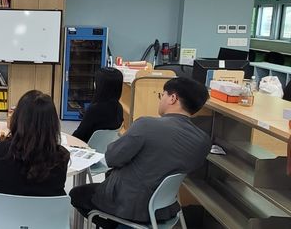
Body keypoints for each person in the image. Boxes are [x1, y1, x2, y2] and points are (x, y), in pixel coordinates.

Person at [69, 77, 212, 228]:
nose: (160, 99)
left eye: (161, 95)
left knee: (77, 194)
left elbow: (112, 158)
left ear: (172, 98)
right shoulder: (203, 140)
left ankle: (121, 225)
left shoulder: (147, 125)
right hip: (165, 209)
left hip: (129, 206)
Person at [0, 90, 70, 196]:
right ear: (52, 124)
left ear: (17, 119)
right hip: (44, 212)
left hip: (3, 211)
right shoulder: (60, 158)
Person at [72, 68, 124, 142]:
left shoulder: (94, 110)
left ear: (100, 86)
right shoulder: (119, 108)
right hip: (105, 148)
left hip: (87, 147)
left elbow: (79, 136)